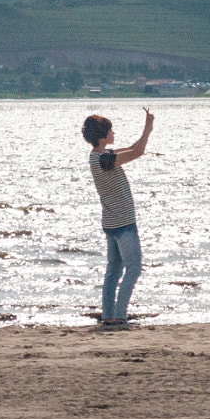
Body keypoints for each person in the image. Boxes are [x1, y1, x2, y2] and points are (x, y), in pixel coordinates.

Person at [82, 108, 155, 327]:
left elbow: (133, 148)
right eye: (111, 131)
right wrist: (149, 128)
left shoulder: (100, 156)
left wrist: (146, 127)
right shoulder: (103, 160)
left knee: (113, 271)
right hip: (122, 222)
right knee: (133, 268)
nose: (114, 133)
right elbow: (138, 152)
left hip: (112, 222)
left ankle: (108, 315)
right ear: (103, 137)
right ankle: (120, 316)